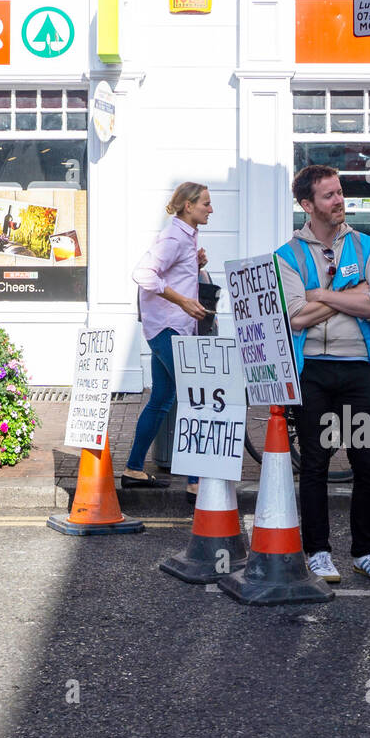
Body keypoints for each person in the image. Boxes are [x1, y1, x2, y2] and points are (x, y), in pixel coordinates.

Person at [276, 165, 370, 584]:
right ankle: (319, 552)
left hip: (359, 368)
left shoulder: (366, 245)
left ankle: (366, 551)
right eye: (328, 196)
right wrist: (349, 295)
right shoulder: (287, 256)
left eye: (340, 192)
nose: (339, 200)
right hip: (313, 370)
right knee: (315, 465)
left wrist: (324, 295)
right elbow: (295, 317)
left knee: (367, 463)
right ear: (307, 205)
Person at [123, 182, 214, 500]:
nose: (210, 209)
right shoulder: (175, 237)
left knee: (162, 399)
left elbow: (172, 274)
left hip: (169, 329)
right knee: (195, 397)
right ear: (188, 206)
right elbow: (144, 274)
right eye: (205, 203)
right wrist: (183, 302)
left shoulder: (186, 237)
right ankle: (194, 481)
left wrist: (195, 265)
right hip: (168, 329)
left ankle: (133, 468)